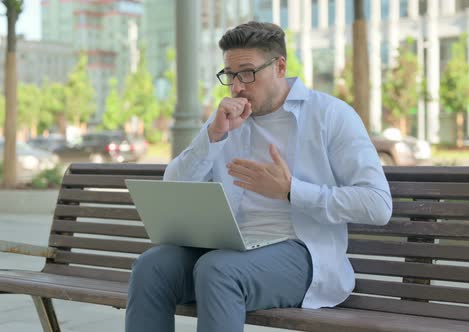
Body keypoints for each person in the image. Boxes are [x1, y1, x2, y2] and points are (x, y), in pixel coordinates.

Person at [125, 21, 392, 332]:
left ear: (279, 67)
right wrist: (212, 138)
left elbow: (377, 204)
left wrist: (291, 190)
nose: (238, 86)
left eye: (248, 73)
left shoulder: (331, 115)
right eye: (230, 75)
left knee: (218, 271)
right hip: (230, 246)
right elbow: (173, 185)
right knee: (152, 266)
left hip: (302, 254)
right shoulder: (225, 120)